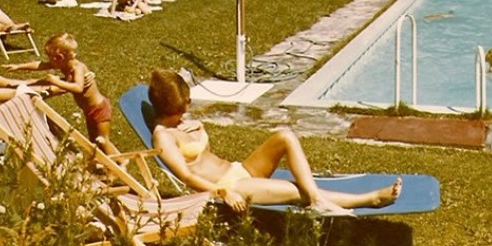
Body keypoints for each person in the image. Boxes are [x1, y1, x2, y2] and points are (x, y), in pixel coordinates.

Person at [148, 68, 401, 215]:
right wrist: (223, 192)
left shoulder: (181, 124)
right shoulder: (163, 136)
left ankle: (316, 198)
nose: (186, 111)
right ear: (165, 107)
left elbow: (203, 156)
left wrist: (195, 129)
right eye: (181, 108)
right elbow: (188, 177)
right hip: (230, 187)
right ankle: (370, 199)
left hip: (240, 171)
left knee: (285, 136)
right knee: (294, 191)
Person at [5, 32, 117, 156]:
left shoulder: (77, 68)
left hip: (99, 108)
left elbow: (78, 88)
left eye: (50, 57)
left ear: (59, 57)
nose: (49, 61)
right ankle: (106, 164)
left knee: (103, 140)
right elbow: (40, 65)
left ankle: (120, 164)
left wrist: (56, 81)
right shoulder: (64, 64)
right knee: (95, 142)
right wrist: (18, 67)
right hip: (89, 110)